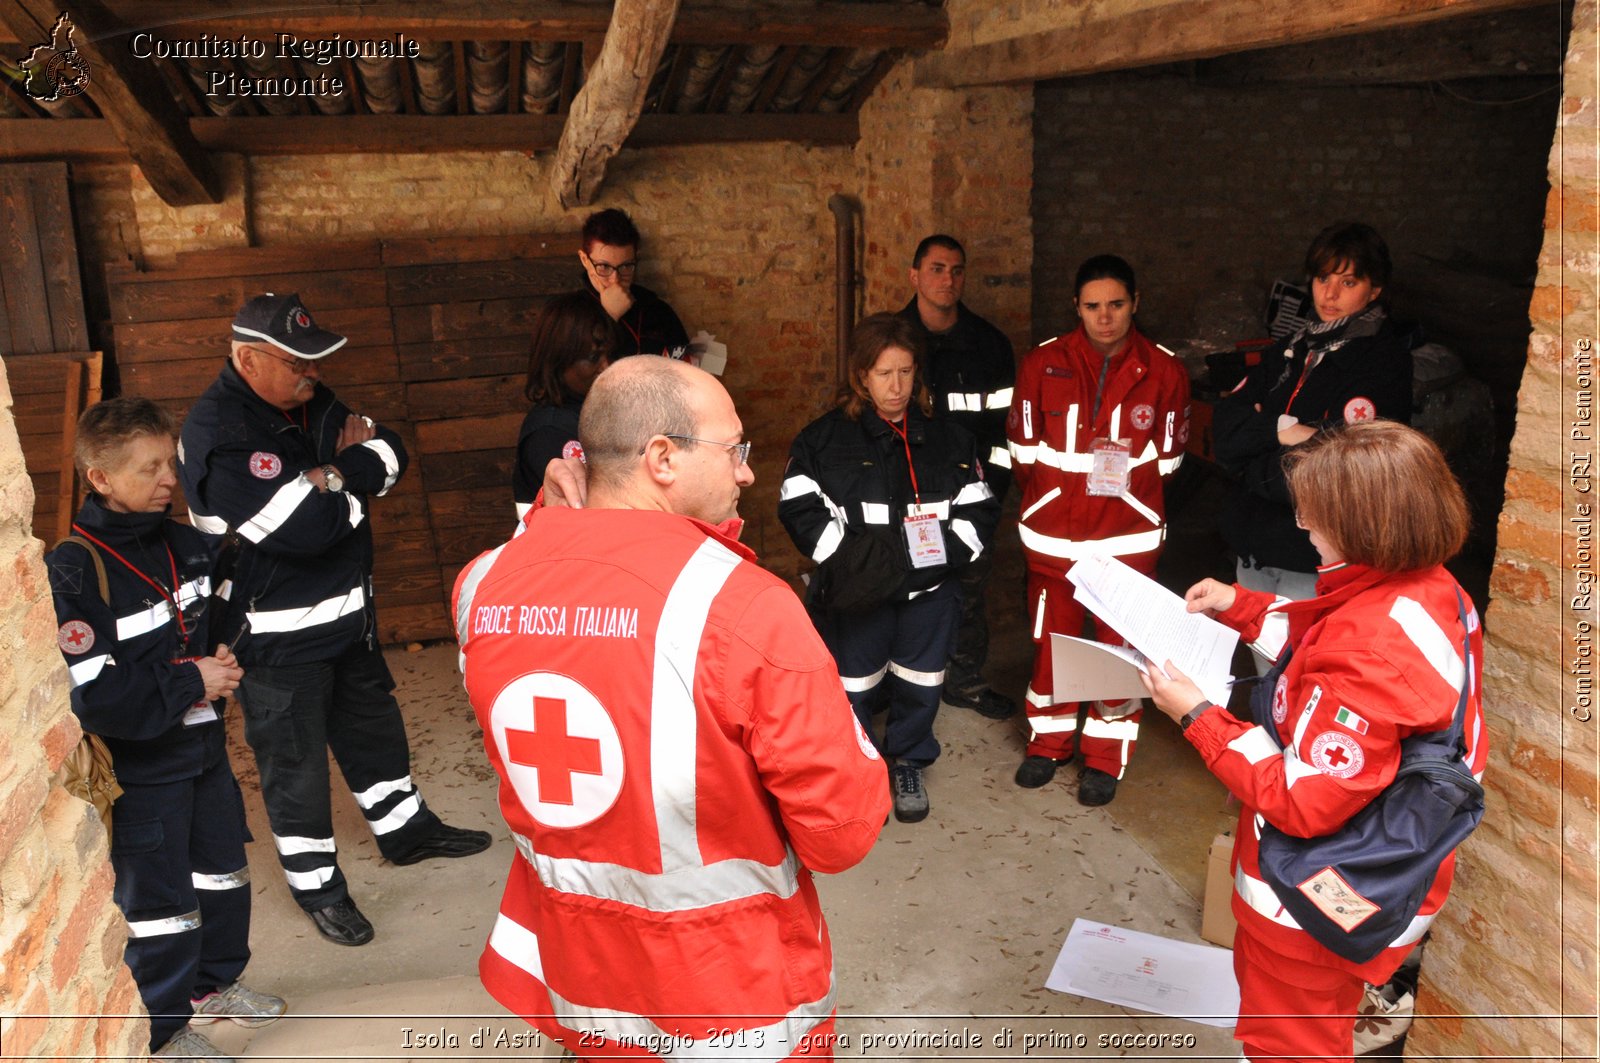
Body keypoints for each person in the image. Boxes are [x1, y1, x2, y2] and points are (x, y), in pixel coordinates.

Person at [453, 356, 888, 1060]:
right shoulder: (747, 608)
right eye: (733, 449)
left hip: (582, 982)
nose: (746, 472)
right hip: (727, 995)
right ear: (661, 457)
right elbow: (840, 833)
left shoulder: (483, 581)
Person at [1140, 421, 1486, 1063]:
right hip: (1377, 866)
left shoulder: (1373, 651)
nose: (1304, 527)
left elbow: (1302, 800)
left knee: (1288, 1046)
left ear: (1365, 526)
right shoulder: (1429, 587)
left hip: (1310, 901)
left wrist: (1196, 716)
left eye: (1316, 516)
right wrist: (1238, 605)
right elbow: (1322, 650)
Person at [178, 293, 491, 948]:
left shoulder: (305, 399)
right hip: (276, 642)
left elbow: (389, 449)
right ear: (247, 359)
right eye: (299, 363)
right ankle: (318, 885)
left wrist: (334, 474)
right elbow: (306, 530)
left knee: (374, 730)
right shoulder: (219, 432)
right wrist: (350, 484)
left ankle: (407, 831)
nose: (313, 376)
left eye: (316, 363)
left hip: (347, 622)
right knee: (295, 769)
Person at [47, 398, 284, 1062]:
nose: (168, 480)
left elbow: (213, 620)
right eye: (149, 468)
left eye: (169, 463)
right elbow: (95, 696)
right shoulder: (76, 570)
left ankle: (215, 986)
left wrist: (226, 653)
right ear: (100, 477)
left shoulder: (180, 544)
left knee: (224, 875)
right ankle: (165, 1031)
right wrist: (192, 681)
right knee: (162, 906)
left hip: (204, 751)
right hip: (144, 772)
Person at [780, 312, 1000, 823]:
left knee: (921, 682)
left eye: (905, 372)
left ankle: (908, 760)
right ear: (861, 377)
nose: (897, 387)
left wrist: (936, 562)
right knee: (853, 687)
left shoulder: (949, 439)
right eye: (884, 374)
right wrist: (857, 565)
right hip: (860, 597)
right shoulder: (824, 440)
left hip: (930, 594)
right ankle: (861, 772)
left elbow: (979, 510)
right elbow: (798, 504)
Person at [1006, 254, 1189, 804]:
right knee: (1053, 644)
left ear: (1135, 303)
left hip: (1127, 543)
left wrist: (1122, 500)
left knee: (1116, 650)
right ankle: (1049, 743)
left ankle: (1106, 756)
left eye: (1115, 305)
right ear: (1076, 308)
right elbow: (1023, 455)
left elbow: (1171, 462)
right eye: (1092, 307)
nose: (1104, 317)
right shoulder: (1041, 366)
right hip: (1053, 538)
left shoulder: (1165, 371)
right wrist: (1062, 496)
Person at [1213, 222, 1412, 671]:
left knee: (1308, 681)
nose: (1331, 293)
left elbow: (1353, 468)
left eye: (1349, 281)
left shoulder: (1384, 361)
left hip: (1315, 561)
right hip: (1253, 551)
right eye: (1323, 278)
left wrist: (1256, 454)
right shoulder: (1288, 349)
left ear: (1374, 289)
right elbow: (1225, 434)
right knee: (1269, 679)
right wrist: (1289, 432)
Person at [896, 234, 1018, 721]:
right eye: (937, 268)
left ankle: (964, 681)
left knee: (968, 592)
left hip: (970, 494)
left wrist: (991, 496)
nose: (948, 279)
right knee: (902, 592)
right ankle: (898, 684)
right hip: (906, 495)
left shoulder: (989, 345)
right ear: (915, 276)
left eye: (957, 270)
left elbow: (1006, 432)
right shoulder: (892, 339)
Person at [511, 291, 616, 521]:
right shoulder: (550, 431)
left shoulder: (591, 410)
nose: (605, 366)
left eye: (607, 354)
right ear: (560, 360)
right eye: (592, 358)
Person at [578, 207, 690, 359]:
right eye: (604, 267)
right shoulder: (568, 315)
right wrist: (609, 316)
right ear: (585, 260)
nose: (615, 280)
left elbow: (687, 364)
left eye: (625, 266)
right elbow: (575, 371)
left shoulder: (657, 310)